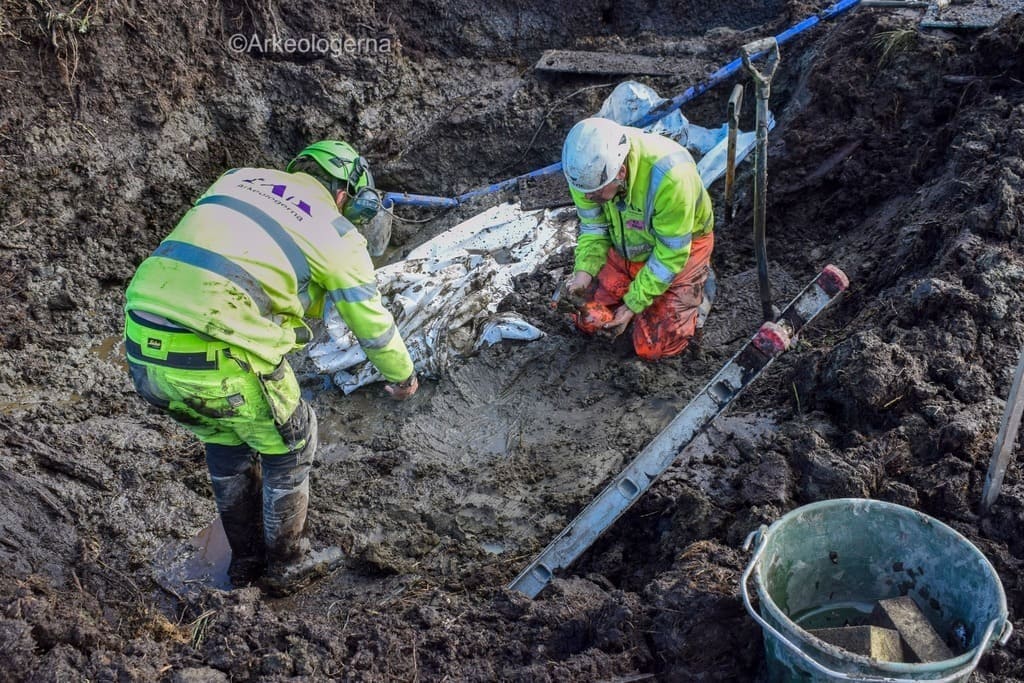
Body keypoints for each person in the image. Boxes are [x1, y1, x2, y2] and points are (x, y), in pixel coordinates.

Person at [123, 140, 418, 595]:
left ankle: (244, 564)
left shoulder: (237, 178)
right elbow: (371, 323)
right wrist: (401, 374)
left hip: (143, 349)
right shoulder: (338, 234)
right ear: (347, 195)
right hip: (222, 354)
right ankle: (286, 564)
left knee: (225, 434)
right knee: (294, 439)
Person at [560, 117, 715, 360]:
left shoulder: (672, 178)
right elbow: (594, 228)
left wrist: (632, 304)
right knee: (585, 318)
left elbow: (670, 254)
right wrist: (582, 275)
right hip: (626, 243)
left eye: (596, 194)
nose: (587, 198)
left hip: (680, 249)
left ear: (620, 172)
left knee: (653, 346)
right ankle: (639, 284)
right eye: (583, 193)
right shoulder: (585, 176)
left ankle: (699, 288)